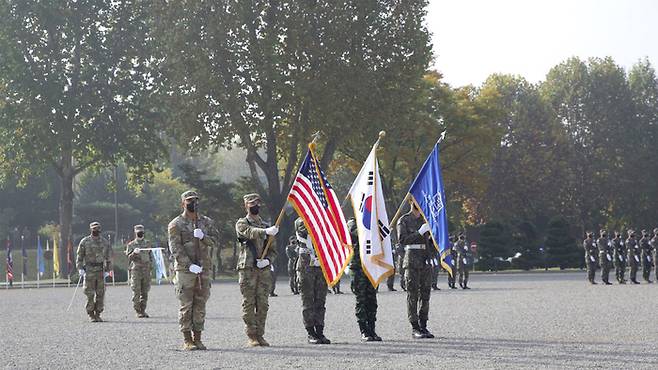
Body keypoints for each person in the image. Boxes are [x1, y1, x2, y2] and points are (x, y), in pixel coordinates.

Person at [168, 190, 218, 350]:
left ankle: (198, 337)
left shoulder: (206, 222)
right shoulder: (176, 224)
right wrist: (189, 265)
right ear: (183, 203)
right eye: (189, 200)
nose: (193, 203)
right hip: (185, 270)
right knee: (186, 304)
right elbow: (175, 248)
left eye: (196, 200)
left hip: (204, 268)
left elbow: (215, 241)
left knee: (200, 304)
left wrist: (204, 237)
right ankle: (187, 339)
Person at [235, 193, 278, 347]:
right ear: (246, 205)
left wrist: (267, 260)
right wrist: (265, 232)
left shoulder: (267, 226)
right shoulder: (242, 223)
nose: (256, 206)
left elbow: (273, 250)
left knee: (263, 303)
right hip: (247, 269)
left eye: (258, 203)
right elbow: (249, 232)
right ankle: (251, 335)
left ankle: (260, 334)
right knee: (249, 302)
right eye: (252, 203)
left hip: (263, 270)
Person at [397, 200, 435, 339]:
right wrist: (419, 233)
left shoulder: (426, 219)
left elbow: (431, 243)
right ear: (411, 202)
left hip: (425, 261)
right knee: (413, 294)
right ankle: (415, 327)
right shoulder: (404, 220)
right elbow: (403, 240)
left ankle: (423, 325)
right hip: (412, 261)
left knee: (425, 294)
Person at [295, 217, 330, 344]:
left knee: (320, 300)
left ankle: (320, 331)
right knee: (308, 301)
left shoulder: (322, 219)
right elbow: (311, 230)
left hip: (321, 266)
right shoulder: (300, 221)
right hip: (306, 266)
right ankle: (311, 332)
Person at [347, 218, 382, 342]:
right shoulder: (352, 222)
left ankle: (372, 329)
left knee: (372, 299)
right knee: (361, 300)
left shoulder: (373, 222)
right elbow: (359, 233)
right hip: (358, 268)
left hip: (371, 266)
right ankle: (364, 330)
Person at [76, 221, 112, 322]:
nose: (96, 231)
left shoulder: (105, 242)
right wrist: (80, 269)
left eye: (97, 229)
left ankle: (98, 312)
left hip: (100, 270)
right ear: (91, 230)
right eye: (94, 229)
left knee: (101, 293)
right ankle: (91, 313)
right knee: (89, 293)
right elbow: (79, 256)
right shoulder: (84, 241)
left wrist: (108, 270)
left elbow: (109, 257)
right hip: (89, 270)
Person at [125, 224, 155, 317]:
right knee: (136, 291)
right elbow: (128, 257)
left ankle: (143, 310)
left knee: (145, 291)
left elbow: (151, 256)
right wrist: (134, 253)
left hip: (146, 270)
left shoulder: (148, 243)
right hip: (136, 270)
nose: (140, 233)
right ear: (135, 233)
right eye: (138, 232)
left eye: (141, 232)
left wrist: (151, 265)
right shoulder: (131, 244)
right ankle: (138, 310)